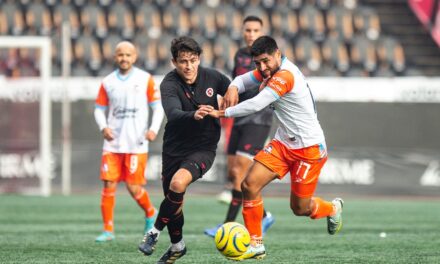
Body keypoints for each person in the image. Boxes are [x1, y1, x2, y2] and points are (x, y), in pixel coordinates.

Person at [209, 36, 343, 260]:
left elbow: (257, 103)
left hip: (309, 149)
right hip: (283, 144)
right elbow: (244, 80)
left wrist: (222, 113)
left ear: (278, 54)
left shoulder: (285, 75)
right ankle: (256, 244)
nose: (262, 68)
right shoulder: (268, 70)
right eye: (257, 63)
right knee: (249, 185)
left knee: (300, 208)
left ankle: (332, 208)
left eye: (265, 61)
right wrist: (233, 86)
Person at [138, 36, 230, 263]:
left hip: (203, 147)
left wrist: (228, 109)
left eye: (193, 60)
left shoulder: (214, 77)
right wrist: (194, 114)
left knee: (177, 184)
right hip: (174, 148)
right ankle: (177, 246)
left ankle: (153, 232)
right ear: (174, 62)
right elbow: (173, 114)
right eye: (183, 61)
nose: (188, 66)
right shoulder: (169, 84)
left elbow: (238, 92)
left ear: (199, 59)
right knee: (173, 199)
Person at [205, 15, 275, 238]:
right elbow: (237, 84)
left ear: (262, 32)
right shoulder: (240, 55)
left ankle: (228, 225)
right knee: (234, 171)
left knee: (240, 173)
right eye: (248, 30)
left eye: (255, 30)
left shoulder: (269, 57)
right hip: (239, 117)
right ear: (243, 32)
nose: (251, 34)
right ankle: (264, 216)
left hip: (259, 118)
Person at [94, 41, 164, 242]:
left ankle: (151, 213)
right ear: (115, 57)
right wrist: (103, 127)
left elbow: (157, 107)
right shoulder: (108, 82)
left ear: (134, 57)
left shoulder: (145, 79)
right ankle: (108, 231)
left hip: (136, 144)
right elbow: (99, 108)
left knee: (134, 188)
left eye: (128, 55)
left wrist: (153, 129)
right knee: (108, 185)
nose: (124, 58)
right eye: (120, 55)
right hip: (113, 143)